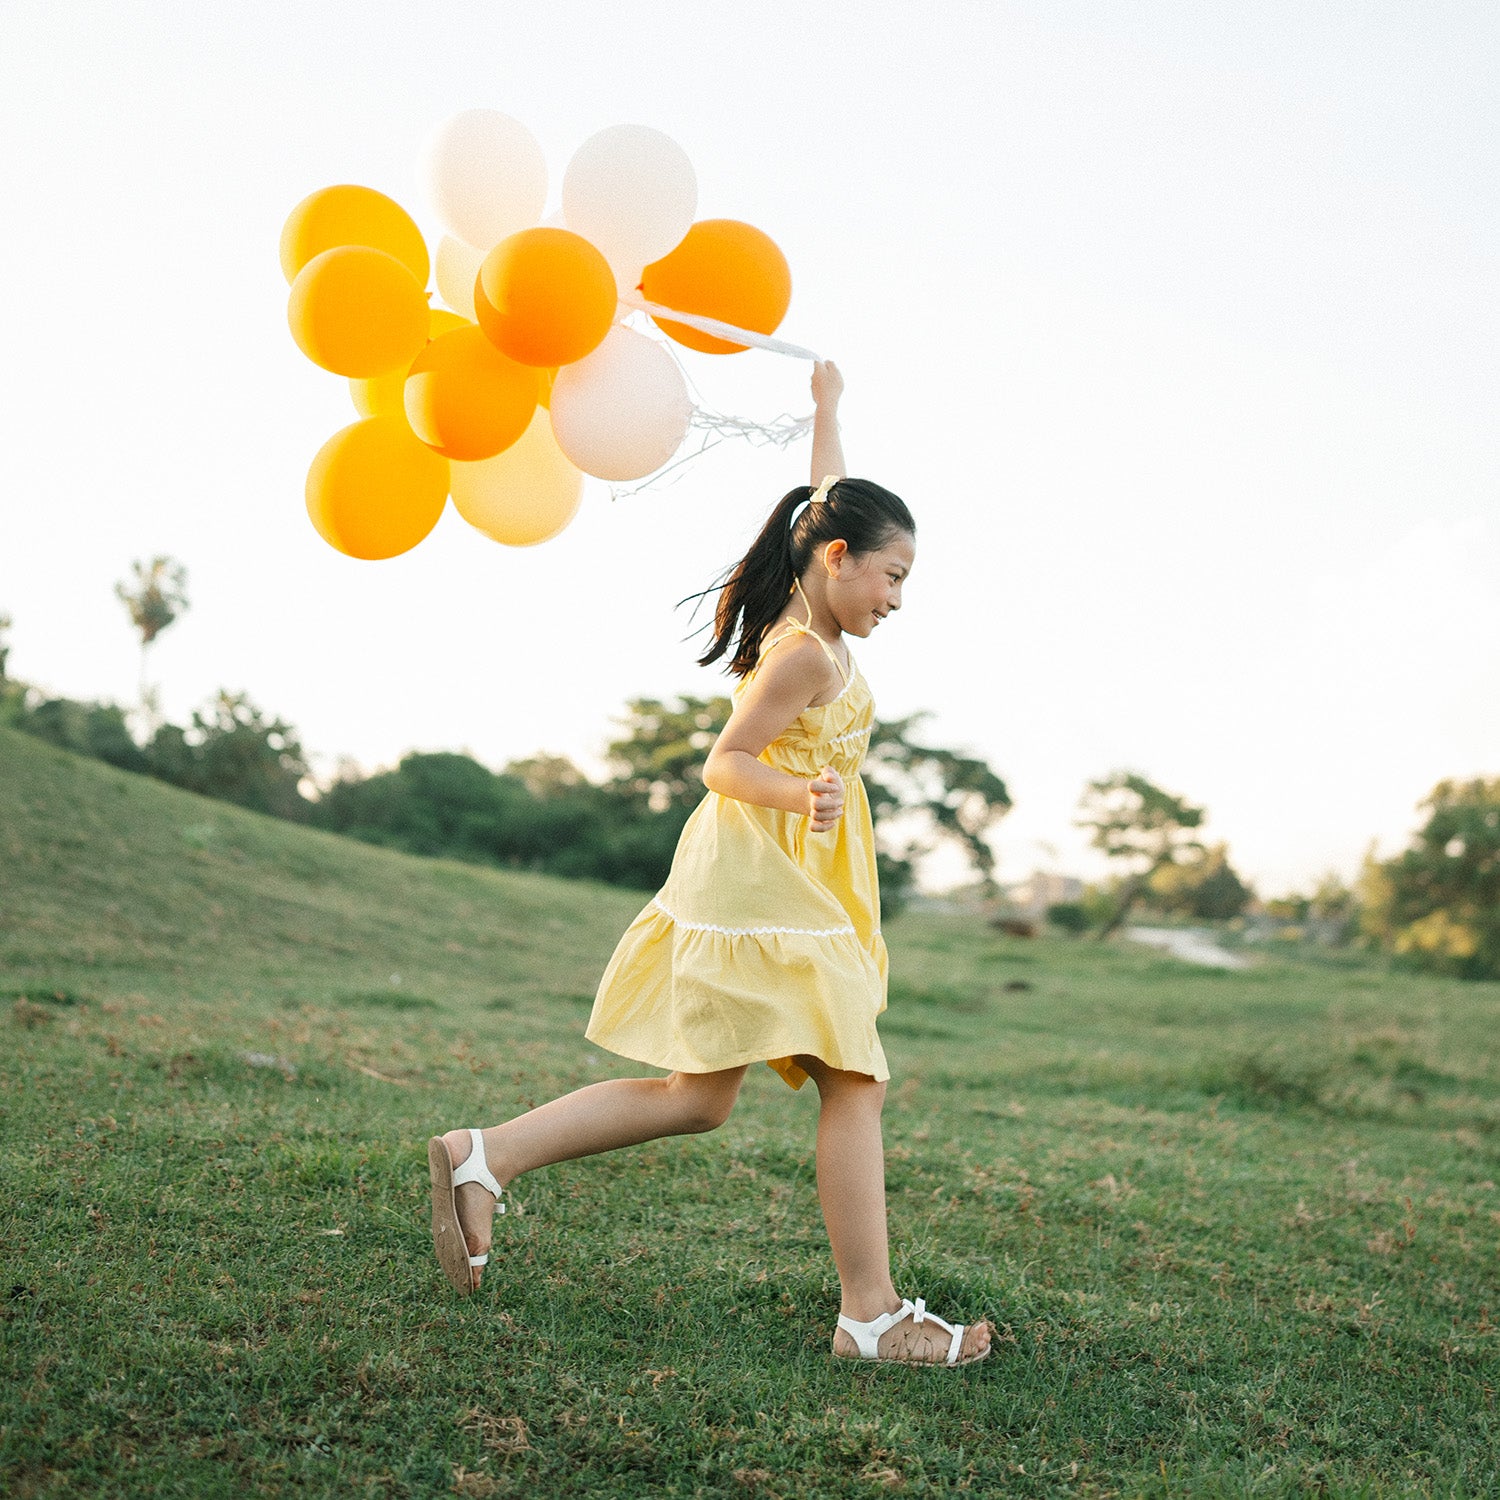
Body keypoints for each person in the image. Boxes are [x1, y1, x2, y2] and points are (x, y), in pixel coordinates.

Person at [429, 362, 992, 1367]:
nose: (899, 598)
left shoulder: (820, 611)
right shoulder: (803, 653)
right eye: (893, 575)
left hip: (784, 879)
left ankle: (486, 1155)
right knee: (855, 1078)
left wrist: (827, 410)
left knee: (699, 1097)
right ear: (837, 559)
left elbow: (826, 495)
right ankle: (870, 1316)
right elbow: (724, 763)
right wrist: (800, 794)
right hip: (764, 880)